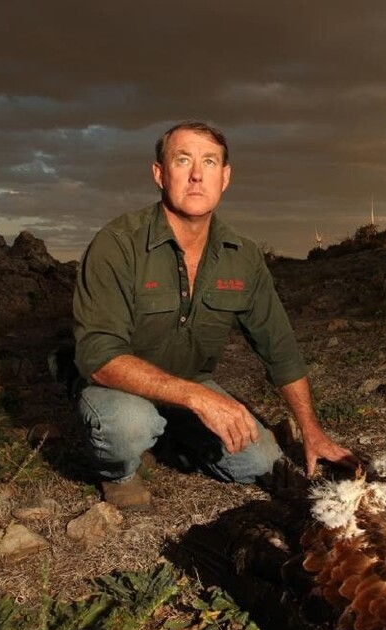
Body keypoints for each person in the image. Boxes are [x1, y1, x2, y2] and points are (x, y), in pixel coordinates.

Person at [72, 120, 355, 509]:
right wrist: (199, 399)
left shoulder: (243, 255)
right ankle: (117, 473)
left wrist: (312, 431)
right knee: (128, 425)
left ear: (225, 177)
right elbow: (99, 358)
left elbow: (280, 349)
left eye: (209, 162)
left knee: (262, 462)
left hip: (192, 384)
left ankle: (167, 436)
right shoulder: (118, 244)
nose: (195, 175)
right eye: (182, 160)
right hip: (121, 388)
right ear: (159, 173)